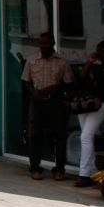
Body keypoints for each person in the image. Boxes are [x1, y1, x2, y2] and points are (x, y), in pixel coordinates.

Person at [22, 31, 72, 181]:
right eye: (41, 43)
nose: (43, 46)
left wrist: (55, 88)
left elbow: (68, 82)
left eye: (46, 43)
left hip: (55, 102)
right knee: (34, 135)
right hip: (37, 102)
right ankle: (35, 168)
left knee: (59, 136)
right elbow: (26, 80)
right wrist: (33, 92)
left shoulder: (62, 61)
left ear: (53, 43)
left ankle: (59, 170)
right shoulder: (32, 60)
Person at [74, 40, 104, 187]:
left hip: (99, 106)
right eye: (98, 50)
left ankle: (84, 175)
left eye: (103, 51)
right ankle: (92, 172)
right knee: (86, 138)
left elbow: (102, 84)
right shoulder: (95, 66)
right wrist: (88, 63)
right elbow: (80, 79)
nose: (99, 54)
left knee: (85, 137)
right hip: (84, 105)